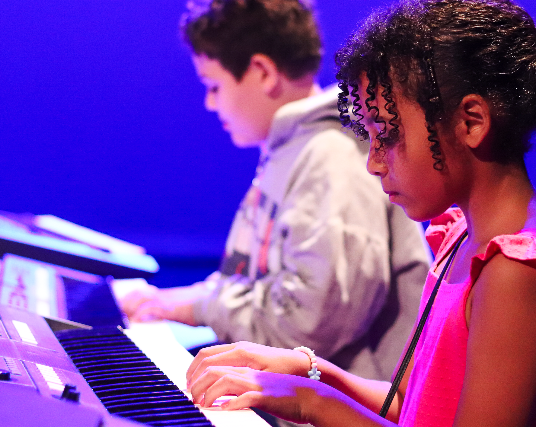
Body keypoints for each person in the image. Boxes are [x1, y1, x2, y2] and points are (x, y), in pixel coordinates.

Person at [182, 0, 536, 426]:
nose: (373, 162)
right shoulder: (463, 237)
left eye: (386, 134)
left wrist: (311, 401)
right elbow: (408, 404)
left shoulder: (520, 272)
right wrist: (307, 370)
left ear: (471, 122)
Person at [119, 0, 430, 393]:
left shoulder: (329, 156)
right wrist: (180, 301)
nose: (210, 103)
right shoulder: (294, 150)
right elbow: (251, 280)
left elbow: (311, 325)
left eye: (214, 86)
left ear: (263, 72)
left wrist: (197, 307)